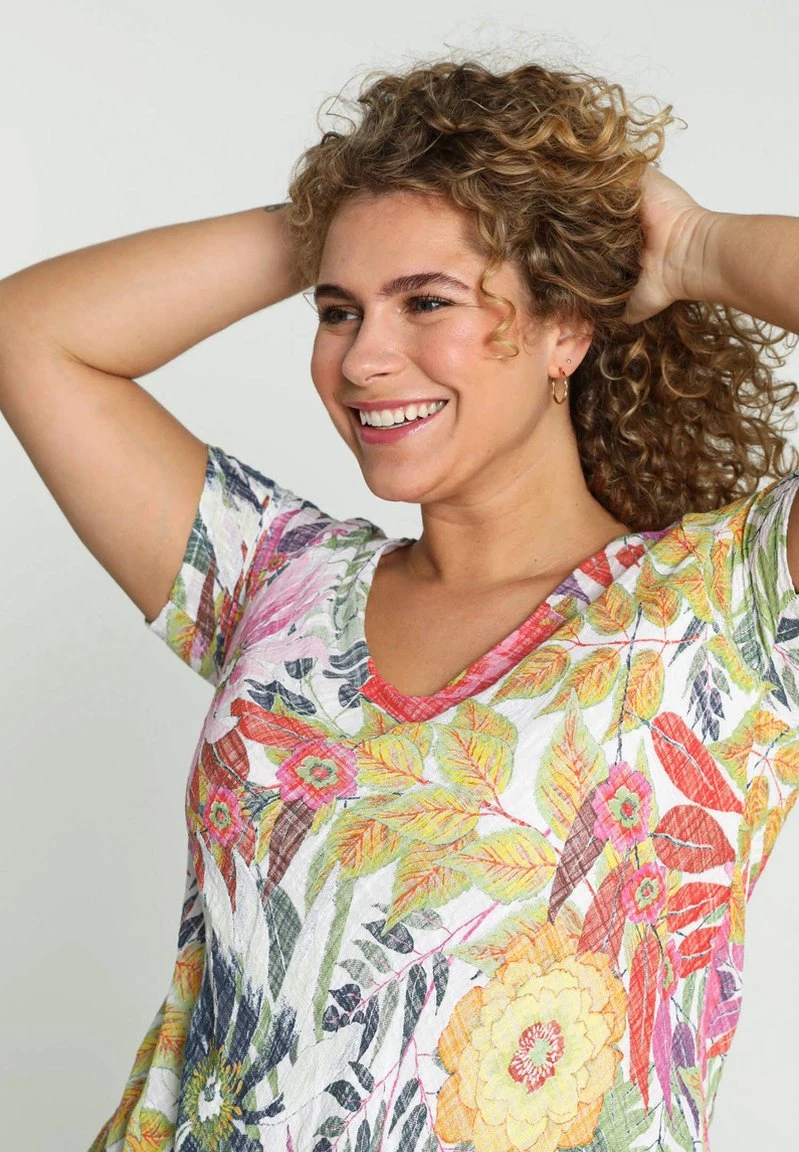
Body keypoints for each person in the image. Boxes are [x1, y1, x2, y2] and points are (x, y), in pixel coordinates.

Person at [2, 56, 799, 1152]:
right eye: (338, 310)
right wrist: (340, 215)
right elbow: (30, 334)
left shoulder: (723, 613)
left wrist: (698, 245)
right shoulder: (279, 583)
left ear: (565, 328)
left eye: (426, 301)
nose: (364, 358)